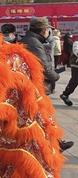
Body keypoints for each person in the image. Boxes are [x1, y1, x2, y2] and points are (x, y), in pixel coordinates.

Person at [21, 17, 73, 152]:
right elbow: (44, 67)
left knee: (42, 116)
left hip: (31, 84)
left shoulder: (29, 40)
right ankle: (53, 144)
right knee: (41, 116)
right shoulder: (34, 44)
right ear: (43, 30)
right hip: (35, 86)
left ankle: (56, 143)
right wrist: (55, 76)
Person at [60, 36, 78, 107]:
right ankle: (65, 95)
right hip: (76, 64)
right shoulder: (77, 42)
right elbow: (76, 51)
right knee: (75, 81)